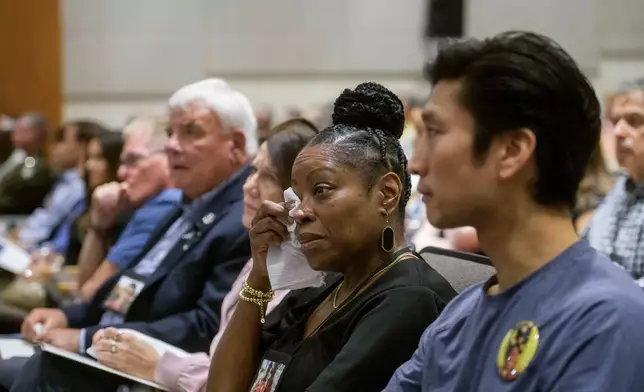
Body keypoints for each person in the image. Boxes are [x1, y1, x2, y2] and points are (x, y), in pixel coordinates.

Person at [384, 31, 644, 392]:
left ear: (511, 151)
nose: (415, 163)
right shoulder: (455, 322)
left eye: (435, 131)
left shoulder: (609, 321)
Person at [1, 78, 257, 391]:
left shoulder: (243, 217)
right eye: (171, 133)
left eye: (191, 132)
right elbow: (125, 289)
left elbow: (207, 326)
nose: (172, 146)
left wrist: (84, 337)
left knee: (40, 370)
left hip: (147, 372)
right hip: (107, 346)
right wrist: (67, 317)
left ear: (236, 144)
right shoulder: (185, 205)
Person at [207, 82, 457, 392]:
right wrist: (260, 277)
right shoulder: (324, 286)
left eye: (321, 191)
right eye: (297, 195)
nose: (299, 212)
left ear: (386, 194)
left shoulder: (409, 299)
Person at [87, 118, 318, 392]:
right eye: (253, 171)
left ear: (297, 196)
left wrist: (160, 366)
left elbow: (245, 380)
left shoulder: (302, 275)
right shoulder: (260, 255)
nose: (249, 186)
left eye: (267, 176)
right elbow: (219, 352)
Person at [77, 115, 179, 301]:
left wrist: (97, 228)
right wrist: (100, 226)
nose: (121, 172)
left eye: (133, 160)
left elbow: (87, 293)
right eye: (122, 162)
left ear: (168, 157)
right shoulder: (169, 203)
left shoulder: (163, 205)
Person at [583, 77, 644, 284]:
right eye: (615, 121)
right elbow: (584, 251)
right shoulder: (620, 189)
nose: (618, 132)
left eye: (634, 121)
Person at [18, 120, 107, 251]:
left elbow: (57, 240)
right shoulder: (64, 180)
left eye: (61, 140)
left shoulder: (80, 188)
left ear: (83, 147)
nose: (54, 147)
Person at [0, 113, 56, 214]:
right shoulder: (18, 158)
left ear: (34, 133)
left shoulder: (37, 165)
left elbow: (15, 198)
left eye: (19, 131)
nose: (13, 136)